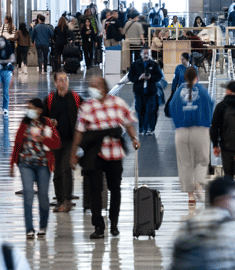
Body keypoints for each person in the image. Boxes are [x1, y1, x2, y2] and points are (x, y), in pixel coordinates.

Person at [72, 77, 141, 240]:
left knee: (115, 189)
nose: (91, 89)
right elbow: (79, 130)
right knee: (95, 191)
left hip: (115, 153)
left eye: (93, 86)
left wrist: (134, 138)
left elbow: (128, 122)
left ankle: (114, 223)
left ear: (102, 87)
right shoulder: (86, 106)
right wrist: (73, 152)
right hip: (94, 154)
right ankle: (98, 226)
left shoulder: (118, 103)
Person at [9, 98, 61, 239]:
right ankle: (29, 229)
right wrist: (13, 163)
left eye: (32, 108)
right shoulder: (25, 123)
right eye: (28, 107)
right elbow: (17, 143)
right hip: (25, 163)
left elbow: (56, 143)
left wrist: (43, 139)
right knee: (28, 195)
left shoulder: (48, 124)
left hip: (43, 165)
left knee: (43, 196)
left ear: (39, 109)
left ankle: (43, 226)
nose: (29, 110)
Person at [168, 66, 214, 206]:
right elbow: (210, 105)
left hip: (181, 132)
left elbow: (171, 107)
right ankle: (198, 181)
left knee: (184, 163)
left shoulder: (178, 92)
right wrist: (207, 122)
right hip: (199, 129)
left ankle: (190, 195)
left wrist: (179, 123)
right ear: (197, 77)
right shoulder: (202, 90)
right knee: (202, 159)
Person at [45, 74, 82, 213]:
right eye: (61, 80)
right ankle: (60, 200)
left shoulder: (76, 99)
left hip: (71, 141)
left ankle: (67, 201)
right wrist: (49, 122)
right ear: (55, 83)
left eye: (66, 79)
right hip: (55, 142)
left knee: (66, 169)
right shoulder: (49, 100)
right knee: (57, 172)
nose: (64, 82)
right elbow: (42, 117)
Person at [210, 80, 235, 188]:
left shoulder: (221, 106)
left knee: (228, 176)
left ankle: (230, 202)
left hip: (227, 148)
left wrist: (215, 145)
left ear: (229, 91)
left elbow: (214, 127)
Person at [126, 48, 164, 136]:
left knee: (150, 110)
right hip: (139, 92)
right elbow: (130, 76)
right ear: (141, 54)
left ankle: (148, 128)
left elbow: (159, 76)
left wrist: (151, 77)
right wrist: (139, 78)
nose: (146, 55)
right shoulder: (135, 64)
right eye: (145, 53)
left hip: (151, 92)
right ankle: (141, 128)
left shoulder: (154, 64)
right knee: (140, 109)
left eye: (148, 53)